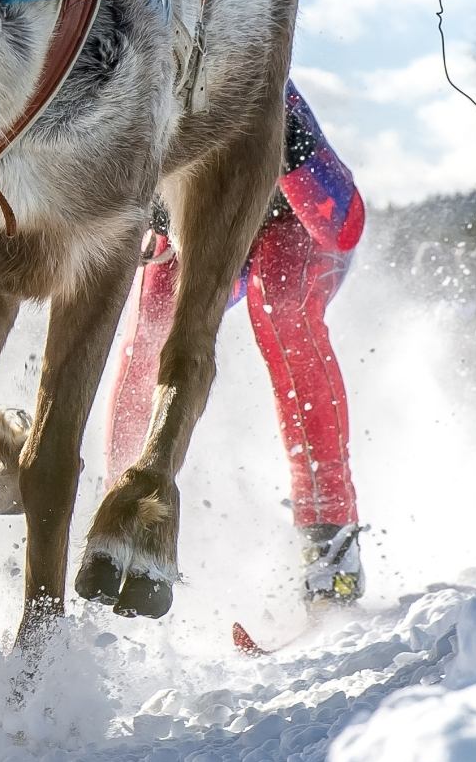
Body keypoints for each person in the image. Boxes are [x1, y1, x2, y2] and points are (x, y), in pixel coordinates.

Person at [107, 83, 367, 603]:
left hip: (291, 229)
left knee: (280, 304)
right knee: (147, 339)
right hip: (200, 228)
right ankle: (119, 518)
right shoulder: (156, 80)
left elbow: (345, 226)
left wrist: (284, 139)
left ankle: (329, 537)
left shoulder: (267, 83)